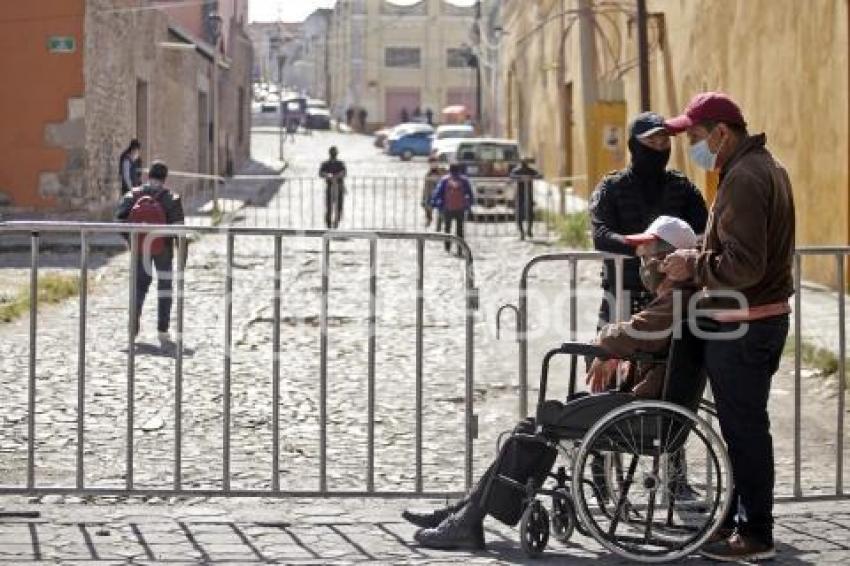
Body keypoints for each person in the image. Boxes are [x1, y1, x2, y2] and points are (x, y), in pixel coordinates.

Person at [405, 217, 700, 550]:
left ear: (669, 258)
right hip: (640, 402)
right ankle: (466, 512)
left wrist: (605, 341)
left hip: (640, 412)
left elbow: (636, 334)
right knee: (532, 428)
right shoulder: (676, 296)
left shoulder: (677, 298)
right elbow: (642, 337)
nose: (643, 262)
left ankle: (467, 517)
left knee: (538, 427)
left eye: (648, 254)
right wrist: (616, 351)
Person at [660, 92, 795, 562]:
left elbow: (745, 265)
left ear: (722, 132)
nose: (693, 147)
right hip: (751, 320)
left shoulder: (746, 177)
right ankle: (737, 522)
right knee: (742, 428)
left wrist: (692, 264)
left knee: (745, 430)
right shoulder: (759, 167)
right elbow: (736, 243)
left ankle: (756, 533)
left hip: (745, 324)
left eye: (696, 137)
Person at [590, 112, 708, 330]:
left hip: (674, 297)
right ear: (634, 145)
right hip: (622, 295)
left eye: (664, 142)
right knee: (604, 358)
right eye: (651, 141)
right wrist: (640, 248)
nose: (659, 148)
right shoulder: (611, 187)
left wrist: (680, 252)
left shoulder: (683, 187)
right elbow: (600, 235)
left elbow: (707, 232)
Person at [115, 161, 185, 350]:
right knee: (164, 288)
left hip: (140, 247)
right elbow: (180, 230)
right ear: (165, 177)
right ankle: (163, 330)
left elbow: (119, 219)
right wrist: (181, 254)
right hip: (163, 247)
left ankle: (133, 325)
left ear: (149, 175)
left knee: (139, 285)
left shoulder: (133, 194)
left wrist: (131, 241)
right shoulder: (172, 198)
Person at [430, 163, 473, 256]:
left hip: (447, 208)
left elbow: (437, 192)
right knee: (460, 229)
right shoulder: (464, 180)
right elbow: (470, 193)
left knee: (447, 228)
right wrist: (469, 206)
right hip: (460, 208)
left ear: (450, 169)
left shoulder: (445, 179)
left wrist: (434, 204)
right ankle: (460, 249)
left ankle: (447, 248)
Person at [509, 157, 542, 240]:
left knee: (530, 213)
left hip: (528, 194)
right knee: (519, 214)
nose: (524, 165)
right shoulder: (517, 170)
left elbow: (540, 175)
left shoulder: (530, 170)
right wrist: (520, 178)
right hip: (519, 195)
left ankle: (529, 230)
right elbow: (512, 176)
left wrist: (531, 177)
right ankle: (521, 232)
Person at [319, 146, 347, 229]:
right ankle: (329, 226)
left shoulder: (340, 163)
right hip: (330, 187)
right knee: (329, 207)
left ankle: (335, 225)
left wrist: (336, 176)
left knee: (339, 207)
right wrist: (328, 176)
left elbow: (344, 172)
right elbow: (320, 173)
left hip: (339, 188)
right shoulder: (325, 164)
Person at [422, 157, 444, 228]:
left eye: (434, 163)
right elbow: (426, 187)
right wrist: (423, 197)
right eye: (431, 163)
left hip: (440, 195)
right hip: (431, 194)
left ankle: (439, 226)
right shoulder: (428, 174)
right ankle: (429, 219)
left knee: (441, 211)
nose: (433, 165)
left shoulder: (442, 171)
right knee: (426, 206)